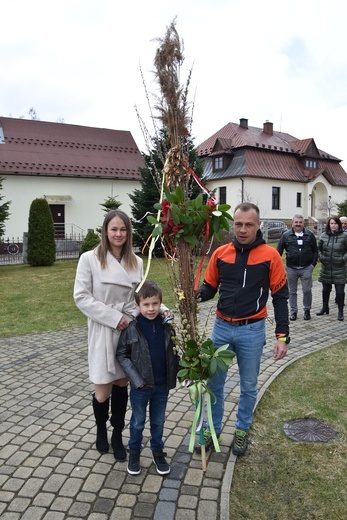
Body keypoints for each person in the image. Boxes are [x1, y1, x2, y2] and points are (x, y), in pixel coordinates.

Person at [195, 202, 289, 456]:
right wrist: (195, 296)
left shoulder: (271, 256)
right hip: (221, 329)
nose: (243, 229)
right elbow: (210, 288)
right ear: (232, 225)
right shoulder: (221, 253)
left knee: (248, 386)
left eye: (249, 224)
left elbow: (280, 298)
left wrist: (282, 337)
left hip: (252, 330)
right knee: (214, 384)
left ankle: (241, 430)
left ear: (259, 225)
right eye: (238, 224)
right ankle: (211, 429)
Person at [74, 209, 143, 462]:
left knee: (122, 384)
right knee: (102, 390)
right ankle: (101, 428)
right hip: (104, 329)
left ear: (128, 232)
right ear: (105, 231)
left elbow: (140, 298)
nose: (118, 234)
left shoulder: (137, 262)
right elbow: (81, 297)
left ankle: (117, 434)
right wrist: (115, 318)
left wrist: (161, 311)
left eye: (123, 229)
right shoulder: (89, 259)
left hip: (127, 333)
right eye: (114, 229)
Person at [116, 281, 179, 476]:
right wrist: (136, 379)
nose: (151, 309)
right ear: (137, 305)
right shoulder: (132, 328)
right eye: (146, 304)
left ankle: (157, 451)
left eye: (155, 304)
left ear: (161, 303)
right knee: (137, 421)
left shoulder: (167, 326)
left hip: (161, 385)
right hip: (141, 387)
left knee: (158, 421)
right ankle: (134, 452)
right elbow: (122, 354)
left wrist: (186, 371)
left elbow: (175, 351)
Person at [277, 214, 318, 321]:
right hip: (291, 268)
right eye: (296, 222)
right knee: (292, 291)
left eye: (300, 222)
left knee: (307, 290)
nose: (298, 224)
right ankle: (293, 312)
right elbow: (278, 252)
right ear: (292, 223)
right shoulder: (286, 235)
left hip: (306, 268)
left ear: (303, 223)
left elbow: (315, 251)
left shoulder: (310, 235)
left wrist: (312, 265)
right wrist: (279, 266)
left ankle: (307, 310)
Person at [316, 216, 347, 321]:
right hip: (326, 268)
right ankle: (325, 307)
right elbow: (318, 249)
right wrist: (321, 257)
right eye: (331, 223)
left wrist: (343, 259)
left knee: (340, 291)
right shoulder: (323, 236)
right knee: (325, 289)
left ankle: (340, 311)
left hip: (340, 268)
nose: (333, 225)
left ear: (339, 224)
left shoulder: (344, 236)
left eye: (335, 223)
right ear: (329, 225)